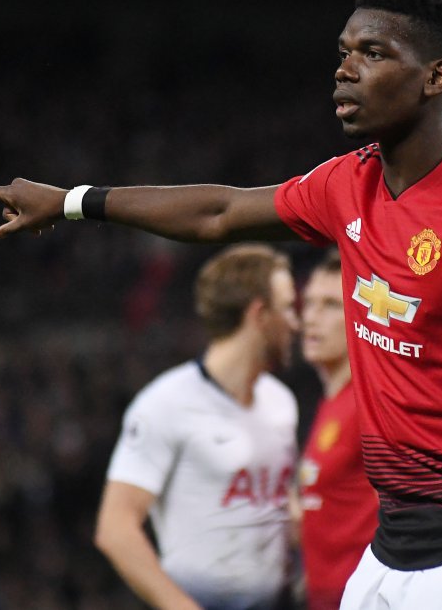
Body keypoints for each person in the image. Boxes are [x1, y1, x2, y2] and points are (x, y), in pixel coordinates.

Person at [0, 0, 442, 610]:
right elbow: (219, 212)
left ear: (436, 77)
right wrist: (74, 202)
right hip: (393, 550)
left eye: (374, 54)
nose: (345, 71)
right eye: (344, 53)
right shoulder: (347, 184)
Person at [93, 244, 300, 610]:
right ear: (259, 314)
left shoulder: (281, 402)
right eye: (287, 309)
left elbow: (280, 507)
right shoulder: (166, 403)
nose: (296, 323)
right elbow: (115, 528)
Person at [294, 249, 378, 610]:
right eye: (308, 303)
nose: (311, 318)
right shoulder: (332, 403)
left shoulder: (370, 405)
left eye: (329, 305)